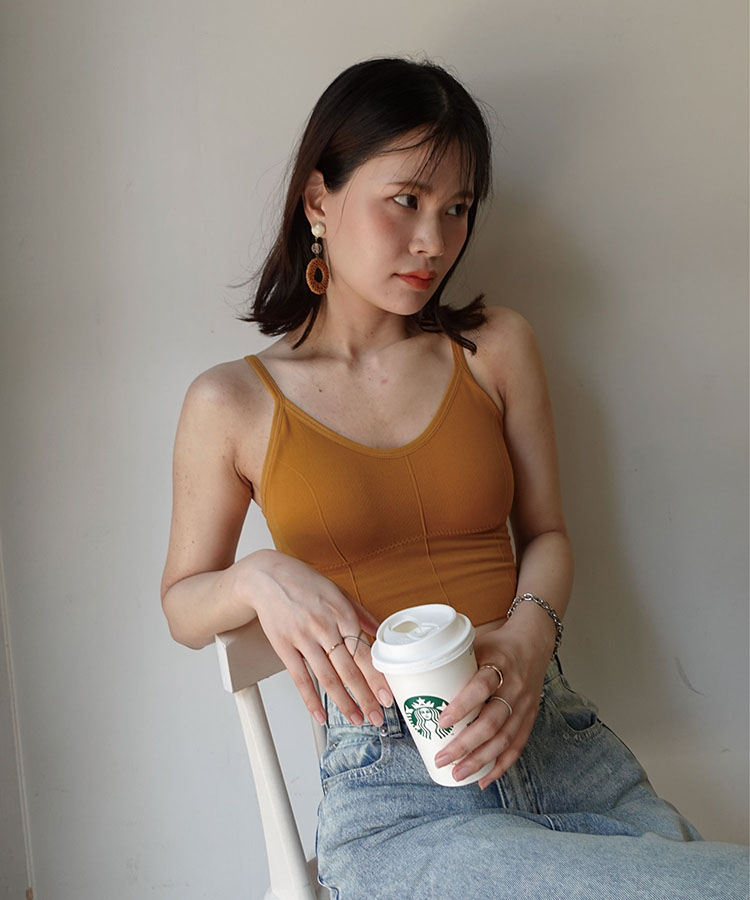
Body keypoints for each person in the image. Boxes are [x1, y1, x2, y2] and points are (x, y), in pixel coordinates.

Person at [160, 56, 749, 900]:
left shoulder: (494, 348)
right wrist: (258, 575)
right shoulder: (232, 402)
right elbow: (183, 604)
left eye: (457, 209)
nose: (434, 241)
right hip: (397, 790)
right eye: (406, 200)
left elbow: (547, 534)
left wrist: (527, 642)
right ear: (319, 200)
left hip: (557, 740)